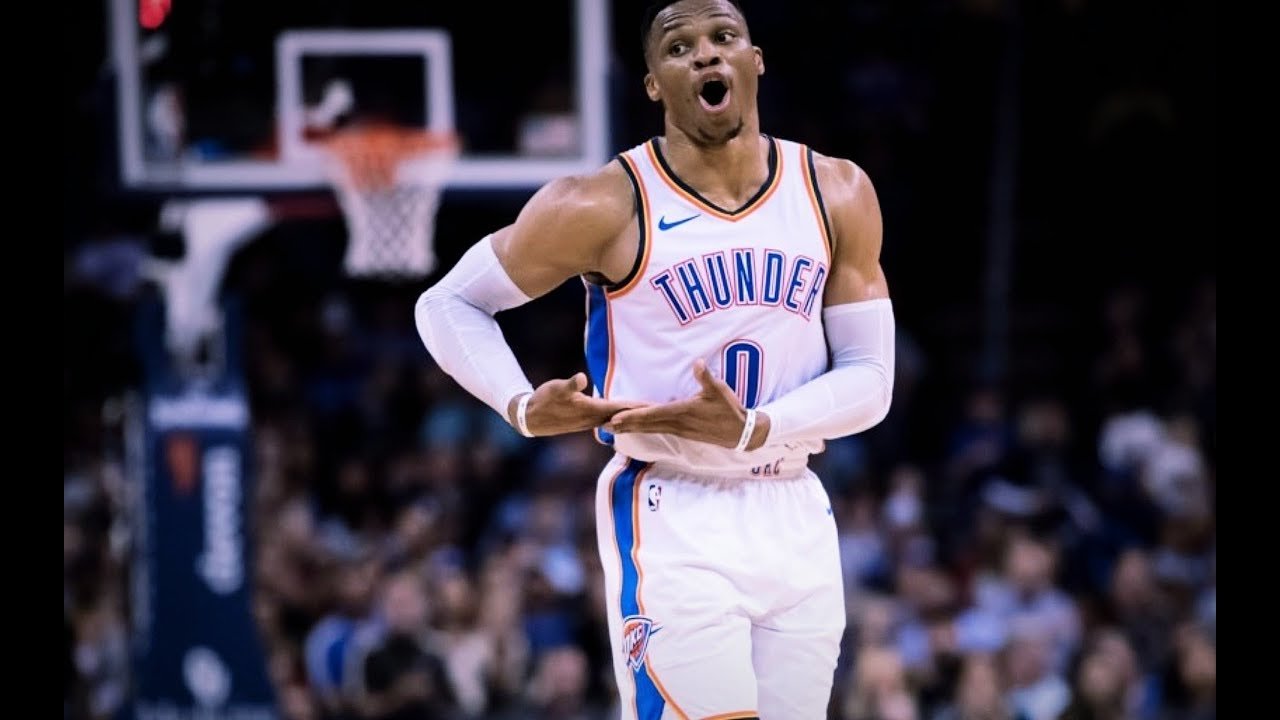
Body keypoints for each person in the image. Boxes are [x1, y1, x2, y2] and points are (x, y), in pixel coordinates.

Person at [415, 0, 895, 716]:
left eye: (723, 38)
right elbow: (447, 304)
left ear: (754, 59)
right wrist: (517, 404)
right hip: (673, 507)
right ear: (652, 85)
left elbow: (872, 380)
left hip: (793, 504)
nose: (705, 55)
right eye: (680, 47)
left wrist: (754, 427)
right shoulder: (605, 203)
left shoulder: (836, 191)